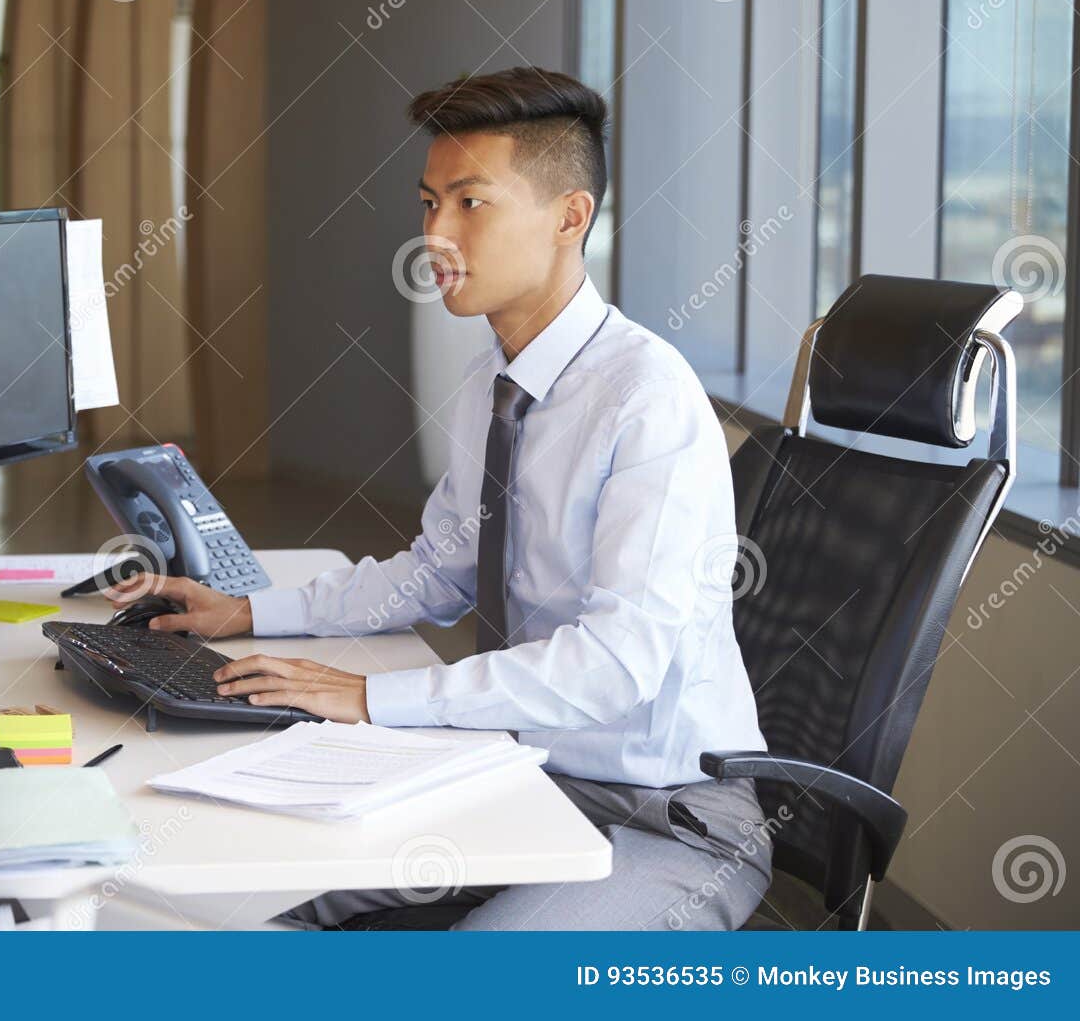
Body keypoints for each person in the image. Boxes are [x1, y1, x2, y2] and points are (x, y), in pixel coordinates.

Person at [106, 67, 770, 930]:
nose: (436, 234)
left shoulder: (646, 399)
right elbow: (438, 572)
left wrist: (373, 698)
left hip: (665, 814)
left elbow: (615, 665)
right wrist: (249, 611)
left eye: (470, 202)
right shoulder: (492, 376)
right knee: (212, 900)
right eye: (428, 203)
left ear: (571, 216)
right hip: (519, 771)